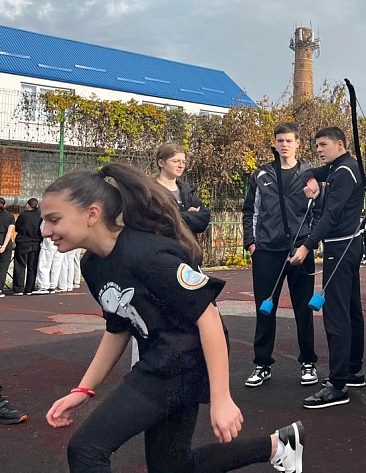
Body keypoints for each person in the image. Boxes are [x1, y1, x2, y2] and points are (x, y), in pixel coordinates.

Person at [41, 164, 305, 472]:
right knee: (172, 466)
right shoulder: (93, 266)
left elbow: (209, 318)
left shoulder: (147, 255)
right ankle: (280, 446)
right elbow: (118, 328)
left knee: (87, 450)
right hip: (163, 362)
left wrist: (221, 399)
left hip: (179, 365)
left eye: (54, 219)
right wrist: (84, 389)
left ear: (92, 214)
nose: (45, 230)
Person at [291, 127, 366, 409]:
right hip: (347, 246)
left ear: (340, 144)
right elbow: (307, 171)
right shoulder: (339, 167)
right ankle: (352, 370)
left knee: (336, 314)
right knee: (351, 308)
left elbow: (331, 215)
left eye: (323, 145)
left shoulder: (344, 171)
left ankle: (338, 384)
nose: (319, 150)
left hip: (341, 246)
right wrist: (312, 180)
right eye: (317, 145)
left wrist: (306, 246)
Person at [242, 123, 319, 389]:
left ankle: (308, 362)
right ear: (274, 143)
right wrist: (251, 244)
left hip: (300, 250)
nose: (284, 145)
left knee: (304, 309)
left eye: (288, 140)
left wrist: (308, 244)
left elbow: (318, 212)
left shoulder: (309, 175)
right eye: (280, 140)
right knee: (265, 309)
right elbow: (250, 210)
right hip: (267, 251)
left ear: (298, 143)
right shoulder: (261, 174)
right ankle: (262, 363)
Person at [155, 142, 211, 235]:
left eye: (183, 162)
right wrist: (190, 215)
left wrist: (178, 217)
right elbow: (158, 222)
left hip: (188, 243)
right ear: (161, 163)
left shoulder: (187, 190)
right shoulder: (151, 191)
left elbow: (203, 219)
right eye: (175, 161)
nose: (181, 166)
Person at [12, 198, 42, 296]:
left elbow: (17, 227)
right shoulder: (40, 216)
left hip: (23, 242)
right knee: (32, 266)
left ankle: (18, 288)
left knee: (20, 265)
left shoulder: (23, 215)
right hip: (35, 242)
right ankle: (29, 288)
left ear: (28, 205)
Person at [0, 198, 16, 296]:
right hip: (6, 243)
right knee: (3, 267)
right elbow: (9, 232)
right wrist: (4, 245)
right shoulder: (10, 216)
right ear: (5, 205)